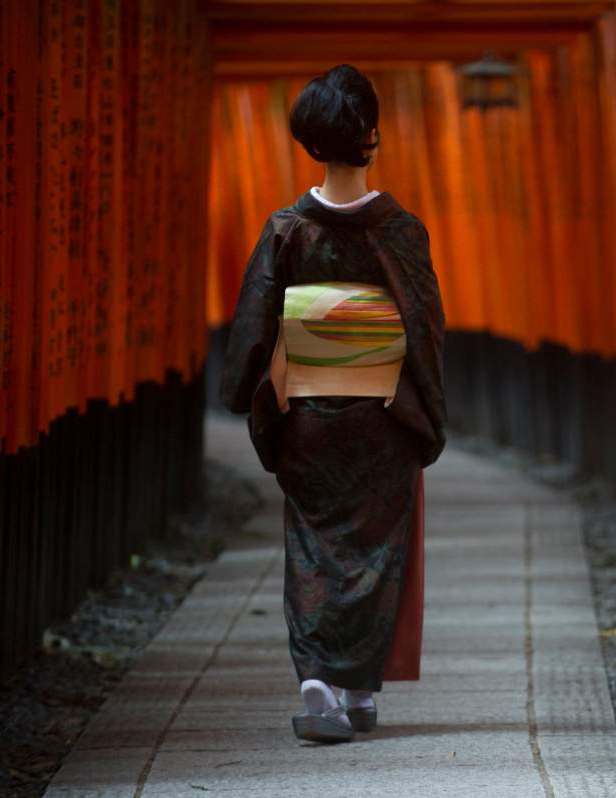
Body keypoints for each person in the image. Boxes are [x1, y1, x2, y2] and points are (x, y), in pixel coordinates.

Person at [219, 64, 447, 743]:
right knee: (377, 549)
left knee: (314, 547)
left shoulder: (288, 230)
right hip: (382, 414)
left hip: (310, 415)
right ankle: (356, 687)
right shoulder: (400, 230)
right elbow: (425, 330)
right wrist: (427, 417)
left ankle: (318, 680)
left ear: (310, 139)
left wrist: (255, 395)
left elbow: (255, 326)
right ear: (371, 133)